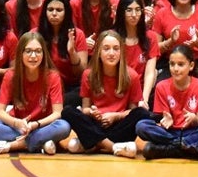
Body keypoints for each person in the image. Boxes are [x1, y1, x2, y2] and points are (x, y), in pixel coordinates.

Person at [0, 30, 71, 155]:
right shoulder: (11, 75)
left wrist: (35, 125)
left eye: (38, 51)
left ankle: (11, 145)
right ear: (20, 53)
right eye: (28, 51)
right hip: (18, 126)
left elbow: (57, 113)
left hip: (42, 126)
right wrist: (17, 123)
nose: (33, 56)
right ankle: (40, 143)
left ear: (44, 54)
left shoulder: (52, 76)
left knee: (64, 126)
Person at [61, 29, 149, 157]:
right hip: (96, 124)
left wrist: (115, 116)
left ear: (121, 52)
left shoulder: (131, 76)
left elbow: (132, 111)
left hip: (118, 125)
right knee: (68, 111)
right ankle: (113, 147)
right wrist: (92, 113)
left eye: (116, 49)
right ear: (99, 52)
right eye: (106, 49)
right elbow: (85, 108)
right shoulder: (88, 75)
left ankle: (92, 144)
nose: (111, 53)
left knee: (142, 113)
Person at [135, 42, 198, 159]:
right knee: (141, 126)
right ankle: (188, 148)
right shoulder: (161, 86)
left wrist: (194, 119)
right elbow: (164, 119)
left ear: (191, 66)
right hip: (169, 133)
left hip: (192, 131)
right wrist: (166, 121)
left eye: (180, 64)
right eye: (172, 64)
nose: (175, 69)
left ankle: (167, 149)